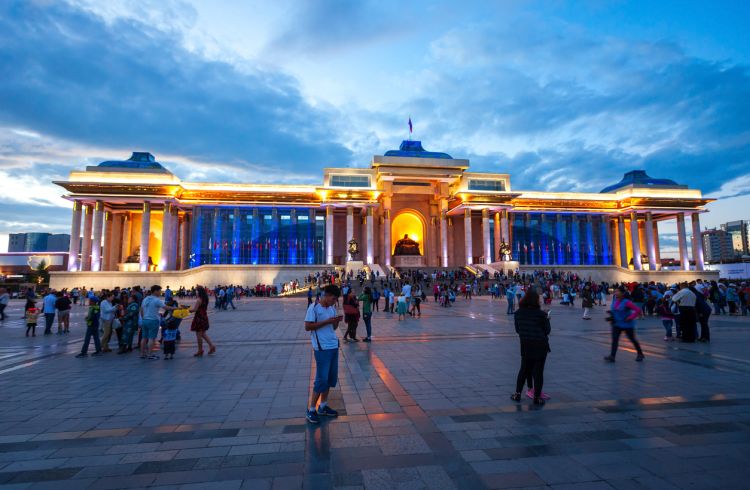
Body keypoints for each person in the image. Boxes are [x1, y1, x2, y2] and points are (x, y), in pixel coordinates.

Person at [304, 284, 343, 424]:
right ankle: (312, 409)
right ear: (326, 295)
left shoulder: (332, 308)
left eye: (335, 300)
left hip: (333, 345)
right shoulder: (314, 308)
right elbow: (307, 326)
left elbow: (333, 327)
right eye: (333, 299)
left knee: (329, 379)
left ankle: (323, 406)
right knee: (321, 379)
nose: (334, 302)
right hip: (322, 348)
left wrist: (336, 321)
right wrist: (326, 321)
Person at [510, 290, 551, 406]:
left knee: (523, 370)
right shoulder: (541, 314)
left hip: (526, 345)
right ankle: (537, 397)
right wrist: (548, 319)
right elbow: (547, 331)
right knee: (538, 372)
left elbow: (518, 330)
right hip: (540, 346)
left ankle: (517, 394)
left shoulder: (518, 313)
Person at [604, 286, 644, 362]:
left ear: (622, 293)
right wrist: (610, 315)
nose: (615, 293)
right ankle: (612, 356)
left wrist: (630, 317)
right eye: (615, 291)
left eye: (617, 291)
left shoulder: (627, 302)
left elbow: (638, 310)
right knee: (615, 340)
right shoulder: (615, 301)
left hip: (627, 324)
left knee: (632, 339)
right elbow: (615, 311)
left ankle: (640, 353)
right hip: (617, 324)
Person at [140, 285, 176, 359]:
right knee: (151, 338)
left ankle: (142, 354)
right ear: (155, 291)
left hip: (145, 320)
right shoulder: (157, 300)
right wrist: (177, 308)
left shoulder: (145, 299)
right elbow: (166, 307)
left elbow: (141, 309)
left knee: (144, 338)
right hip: (153, 320)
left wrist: (144, 318)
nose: (160, 292)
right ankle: (150, 354)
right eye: (159, 291)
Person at [190, 286, 216, 356]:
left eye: (196, 291)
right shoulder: (205, 298)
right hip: (204, 316)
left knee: (198, 335)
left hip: (199, 318)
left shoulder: (199, 300)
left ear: (199, 292)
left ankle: (200, 350)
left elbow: (195, 309)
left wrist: (187, 310)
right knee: (203, 334)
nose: (195, 292)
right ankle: (211, 346)